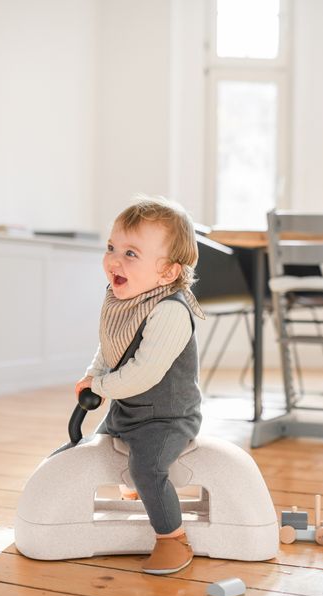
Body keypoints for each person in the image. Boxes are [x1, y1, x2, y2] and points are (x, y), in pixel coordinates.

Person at [75, 195, 205, 575]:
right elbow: (112, 346)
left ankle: (172, 539)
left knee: (147, 467)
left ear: (167, 273)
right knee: (93, 449)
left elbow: (144, 373)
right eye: (112, 247)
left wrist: (101, 385)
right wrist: (93, 375)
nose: (114, 260)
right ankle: (122, 500)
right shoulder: (124, 299)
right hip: (128, 409)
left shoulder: (170, 312)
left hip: (166, 417)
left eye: (131, 254)